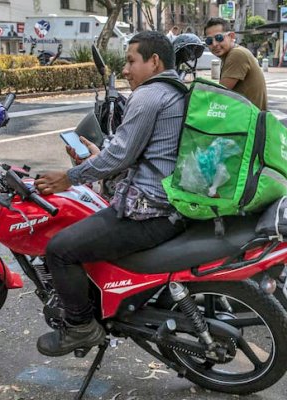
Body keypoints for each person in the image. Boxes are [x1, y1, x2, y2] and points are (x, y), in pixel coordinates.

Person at [33, 31, 186, 357]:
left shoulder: (149, 94)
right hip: (170, 205)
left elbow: (119, 157)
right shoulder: (177, 91)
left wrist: (69, 178)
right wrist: (97, 154)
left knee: (59, 249)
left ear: (154, 61)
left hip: (150, 211)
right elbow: (130, 151)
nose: (126, 70)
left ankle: (81, 327)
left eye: (131, 61)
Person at [204, 17, 268, 110]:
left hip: (248, 121)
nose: (214, 44)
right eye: (209, 41)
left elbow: (219, 94)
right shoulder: (232, 54)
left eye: (219, 38)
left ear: (231, 36)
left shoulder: (237, 54)